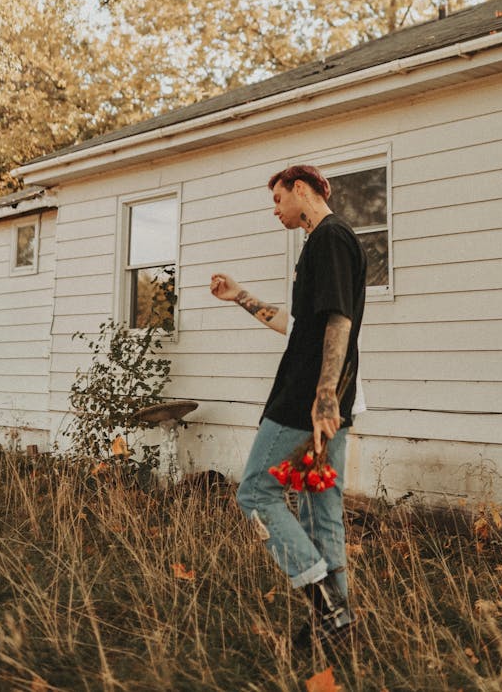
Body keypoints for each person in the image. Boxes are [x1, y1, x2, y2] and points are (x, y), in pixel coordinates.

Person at [210, 164, 367, 647]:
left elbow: (339, 321)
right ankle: (336, 625)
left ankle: (325, 603)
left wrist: (322, 400)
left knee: (255, 495)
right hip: (328, 396)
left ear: (301, 189)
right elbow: (300, 325)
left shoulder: (331, 238)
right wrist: (240, 296)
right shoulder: (320, 244)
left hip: (306, 398)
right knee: (322, 508)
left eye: (277, 199)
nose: (274, 210)